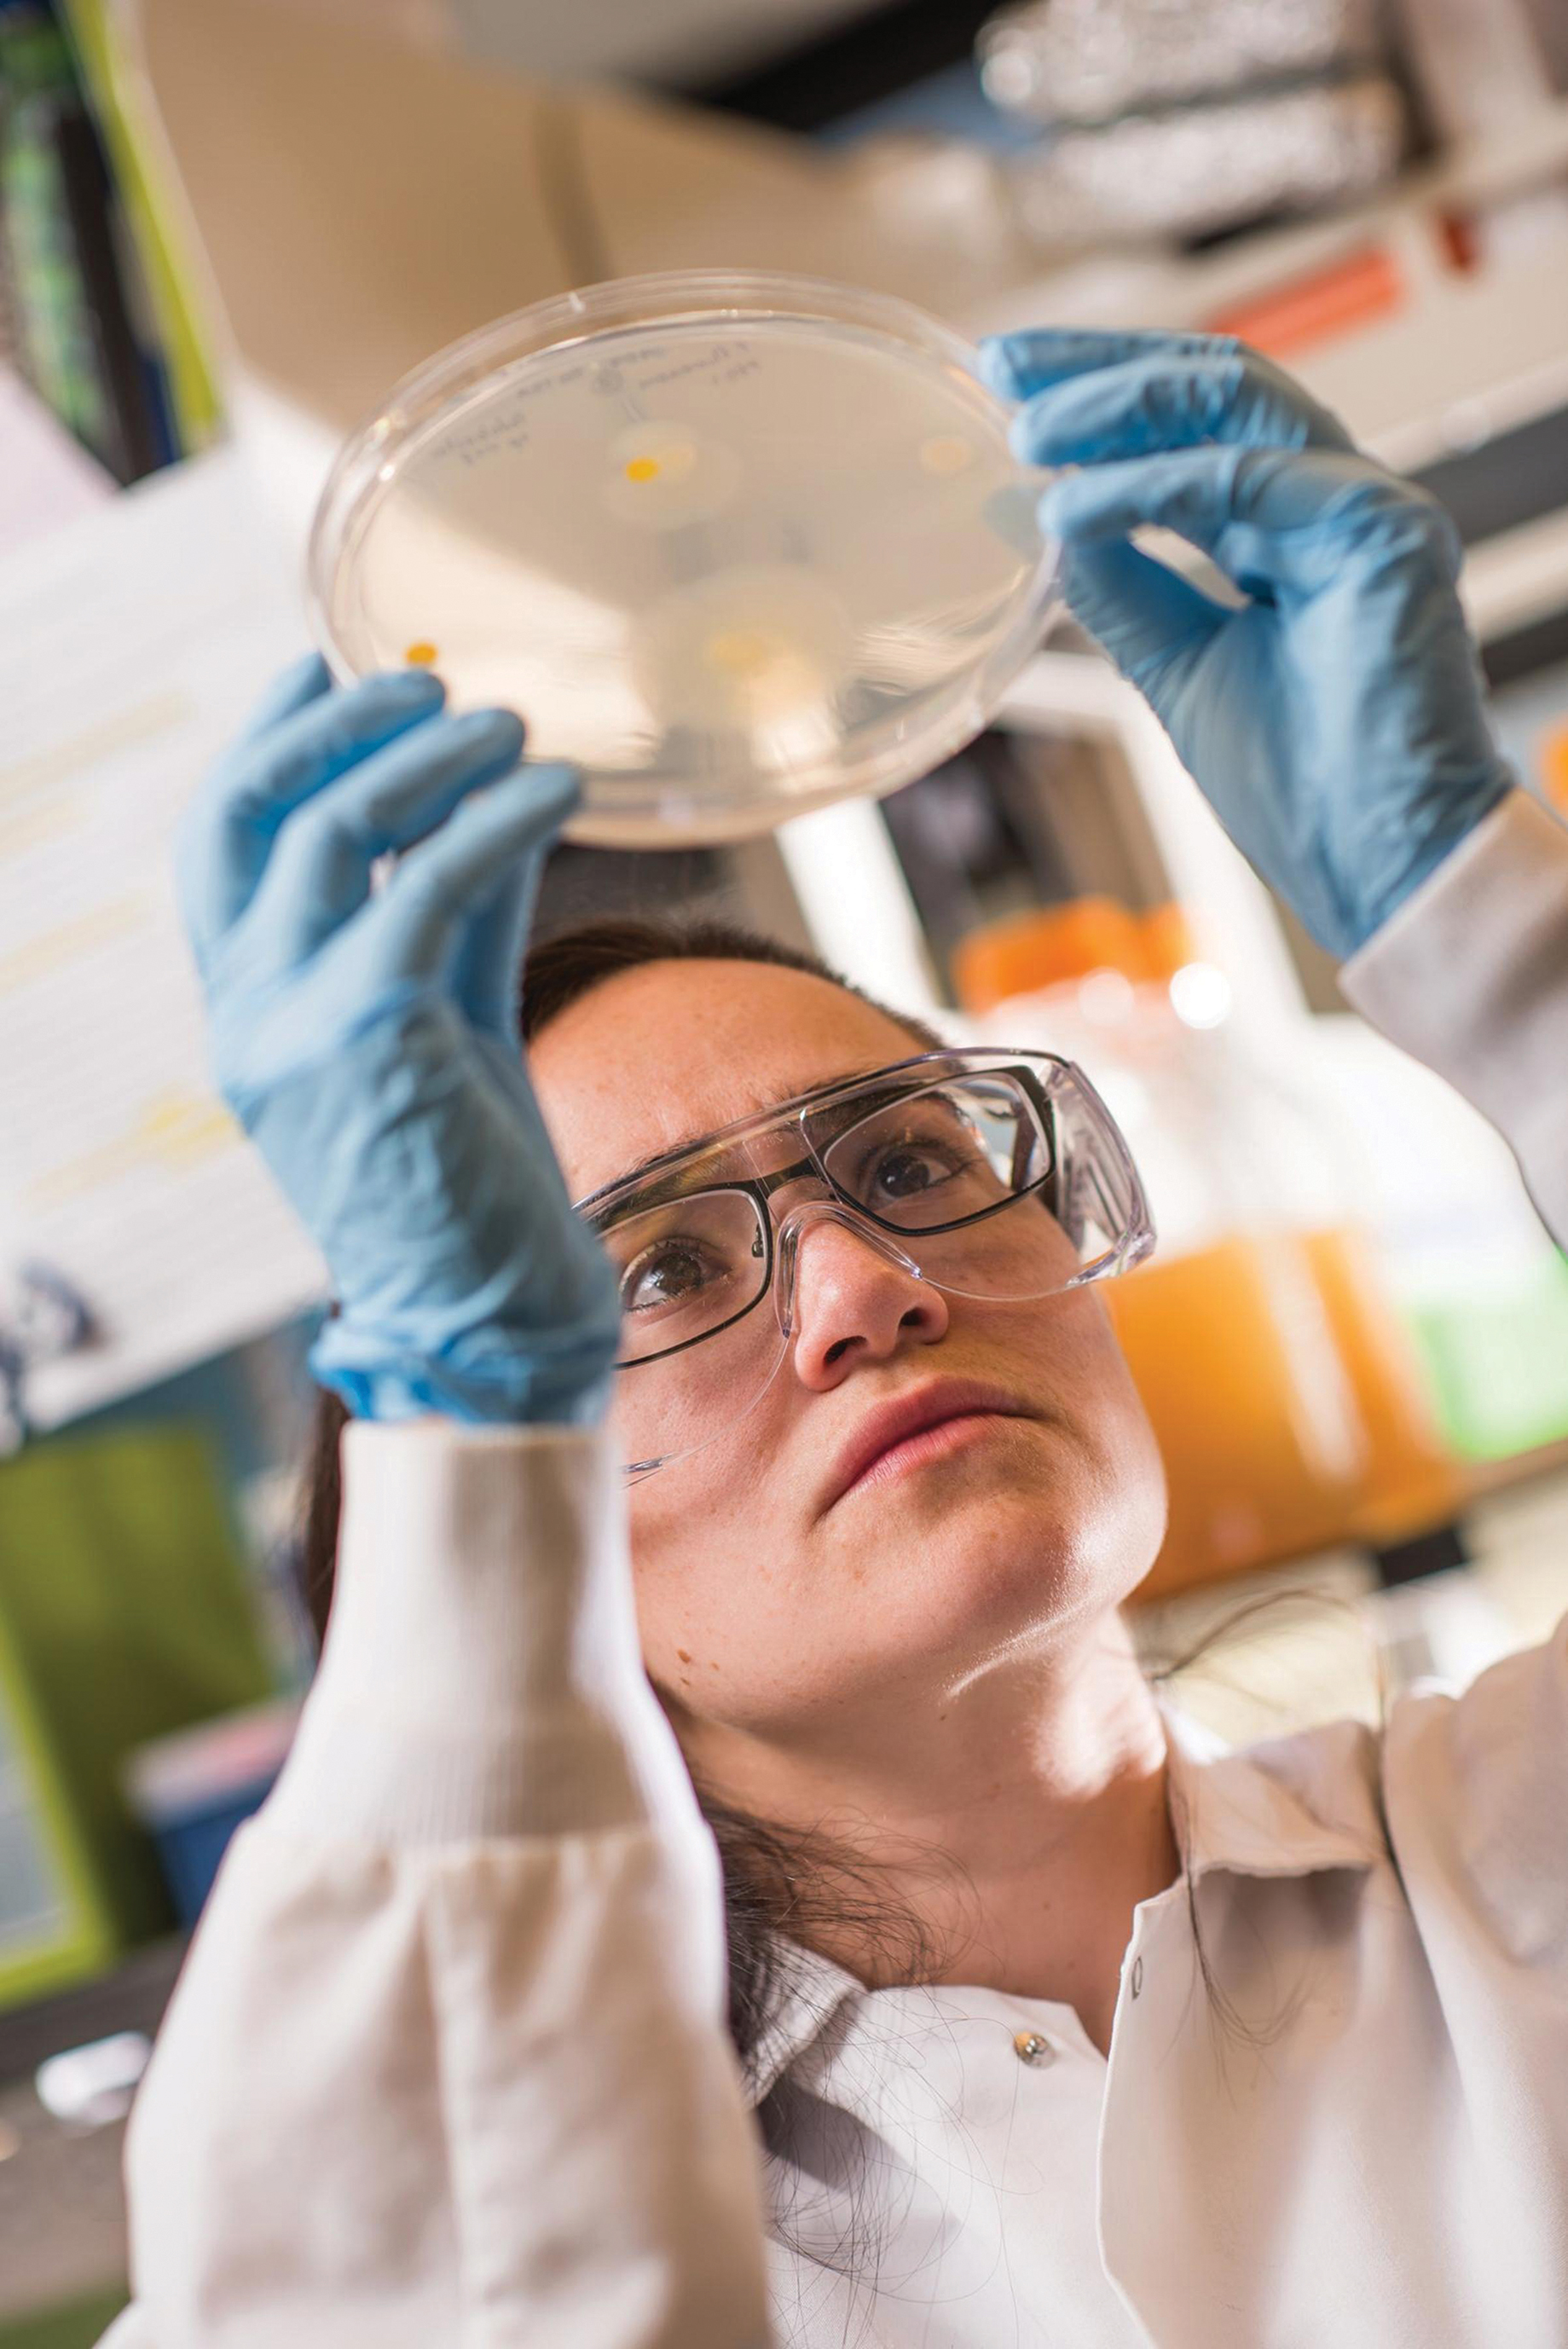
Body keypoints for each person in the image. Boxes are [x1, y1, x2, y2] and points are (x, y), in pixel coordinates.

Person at [102, 333, 1568, 2349]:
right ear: (509, 1534)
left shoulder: (1508, 1863)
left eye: (905, 1157)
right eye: (648, 1273)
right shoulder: (526, 2197)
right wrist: (454, 1413)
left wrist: (1479, 918)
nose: (868, 1285)